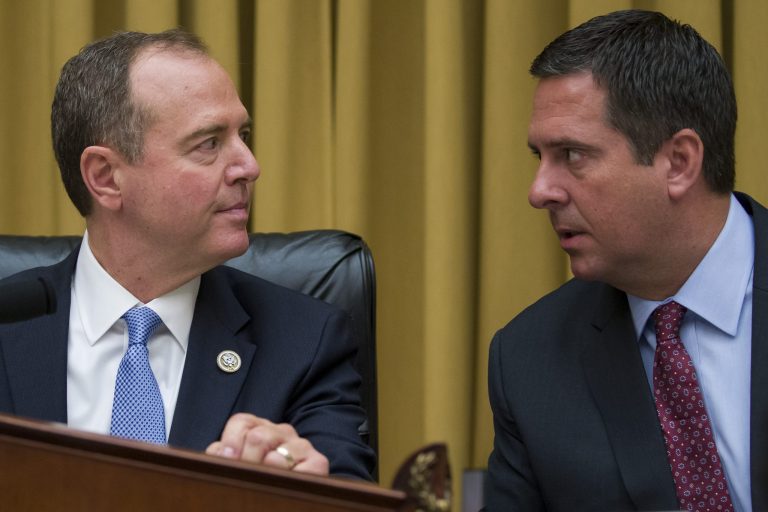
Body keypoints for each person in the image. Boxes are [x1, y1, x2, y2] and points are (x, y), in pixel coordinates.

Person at [0, 29, 374, 480]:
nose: (249, 166)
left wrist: (305, 488)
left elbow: (348, 487)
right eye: (209, 143)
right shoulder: (8, 330)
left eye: (243, 134)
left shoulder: (305, 343)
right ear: (106, 177)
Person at [485, 9, 768, 511]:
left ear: (679, 162)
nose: (539, 192)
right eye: (540, 157)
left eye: (572, 155)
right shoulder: (528, 361)